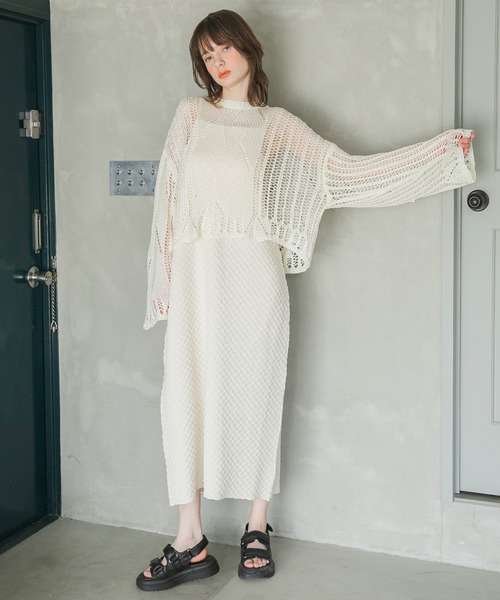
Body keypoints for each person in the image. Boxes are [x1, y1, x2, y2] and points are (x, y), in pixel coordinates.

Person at [135, 8, 476, 592]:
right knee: (184, 399)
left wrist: (442, 154)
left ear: (248, 47)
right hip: (196, 279)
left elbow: (346, 174)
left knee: (257, 395)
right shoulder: (190, 115)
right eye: (206, 56)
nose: (217, 63)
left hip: (254, 280)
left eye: (223, 49)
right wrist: (163, 286)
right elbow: (166, 202)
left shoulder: (278, 126)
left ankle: (257, 526)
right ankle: (190, 538)